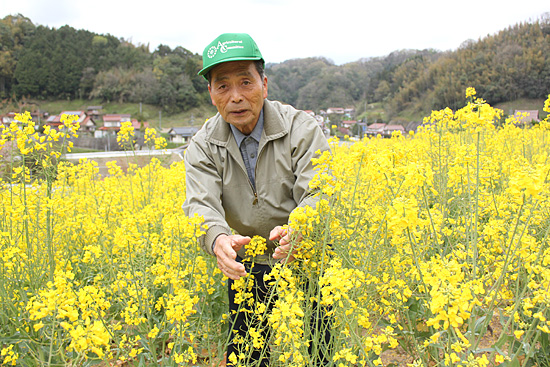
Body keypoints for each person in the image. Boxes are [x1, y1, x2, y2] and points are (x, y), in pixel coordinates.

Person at [183, 33, 331, 366]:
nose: (235, 97)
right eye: (222, 86)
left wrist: (300, 228)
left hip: (306, 254)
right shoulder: (202, 146)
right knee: (247, 354)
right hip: (248, 262)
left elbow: (320, 192)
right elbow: (200, 204)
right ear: (211, 94)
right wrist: (217, 238)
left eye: (245, 82)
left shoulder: (301, 129)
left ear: (264, 84)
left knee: (322, 347)